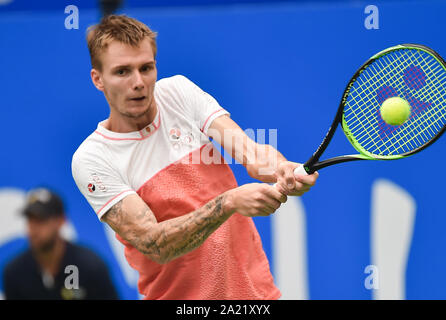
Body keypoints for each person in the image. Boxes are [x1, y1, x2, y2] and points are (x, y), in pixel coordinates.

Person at [71, 14, 319, 300]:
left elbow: (250, 152)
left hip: (254, 295)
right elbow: (155, 244)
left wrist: (282, 169)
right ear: (98, 79)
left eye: (146, 68)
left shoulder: (178, 92)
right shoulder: (93, 158)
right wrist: (228, 202)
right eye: (123, 72)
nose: (138, 82)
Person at [2, 188, 118, 300]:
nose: (33, 229)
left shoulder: (90, 267)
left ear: (61, 220)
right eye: (30, 220)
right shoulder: (15, 273)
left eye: (41, 220)